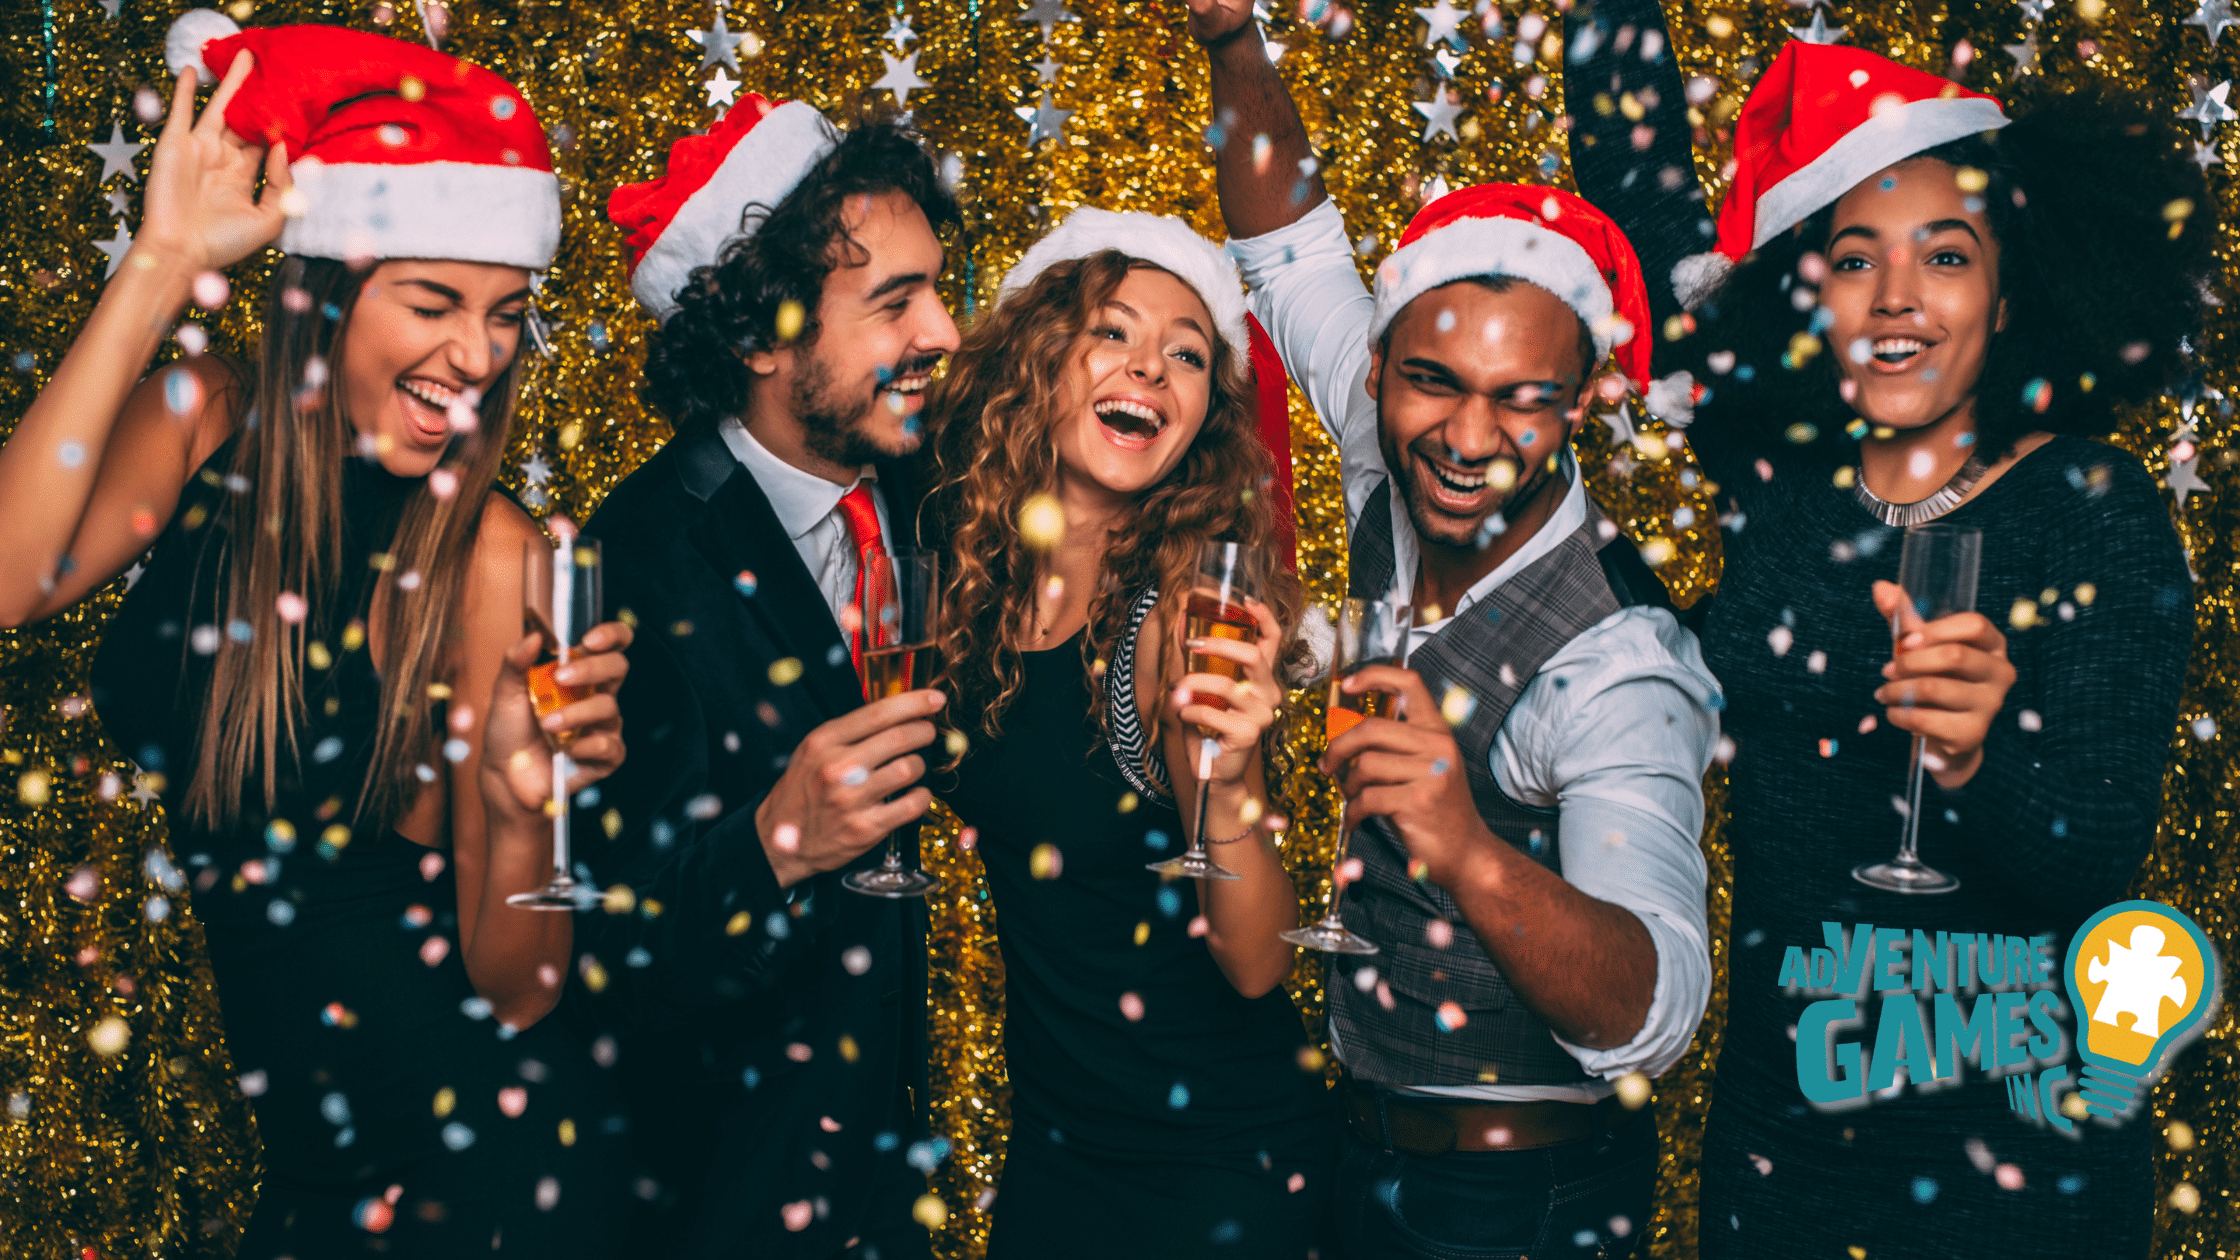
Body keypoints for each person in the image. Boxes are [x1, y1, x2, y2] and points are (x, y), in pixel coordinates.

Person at [1562, 10, 2205, 1256]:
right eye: (1855, 259)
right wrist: (1555, 491)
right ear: (1812, 292)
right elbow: (1683, 674)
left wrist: (1976, 763)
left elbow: (2090, 857)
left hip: (2011, 1181)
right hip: (1778, 1158)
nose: (1897, 297)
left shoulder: (2091, 507)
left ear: (2009, 288)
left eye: (1945, 256)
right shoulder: (1794, 506)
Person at [19, 16, 635, 1257]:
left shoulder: (497, 556)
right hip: (314, 1176)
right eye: (431, 302)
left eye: (507, 313)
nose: (475, 355)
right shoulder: (203, 422)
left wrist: (524, 810)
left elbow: (521, 988)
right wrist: (161, 262)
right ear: (329, 288)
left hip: (471, 1178)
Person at [1187, 4, 1723, 1257]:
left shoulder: (1617, 663)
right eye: (1432, 383)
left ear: (1580, 402)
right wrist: (1230, 40)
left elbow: (1655, 1010)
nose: (1469, 441)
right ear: (1379, 368)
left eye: (1520, 401)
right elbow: (1287, 246)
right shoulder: (1394, 451)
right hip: (1350, 1148)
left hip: (1519, 1204)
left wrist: (1461, 843)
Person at [579, 98, 959, 1259]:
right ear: (759, 336)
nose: (943, 329)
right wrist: (774, 841)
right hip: (719, 1199)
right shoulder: (633, 559)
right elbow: (597, 952)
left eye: (937, 286)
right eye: (894, 301)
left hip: (890, 1185)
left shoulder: (920, 491)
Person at [918, 206, 1327, 1259]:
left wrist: (1230, 783)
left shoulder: (1178, 620)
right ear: (1035, 361)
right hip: (1056, 1152)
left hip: (1214, 1171)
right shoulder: (969, 579)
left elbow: (1253, 963)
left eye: (1186, 354)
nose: (1149, 367)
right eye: (1114, 331)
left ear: (1202, 416)